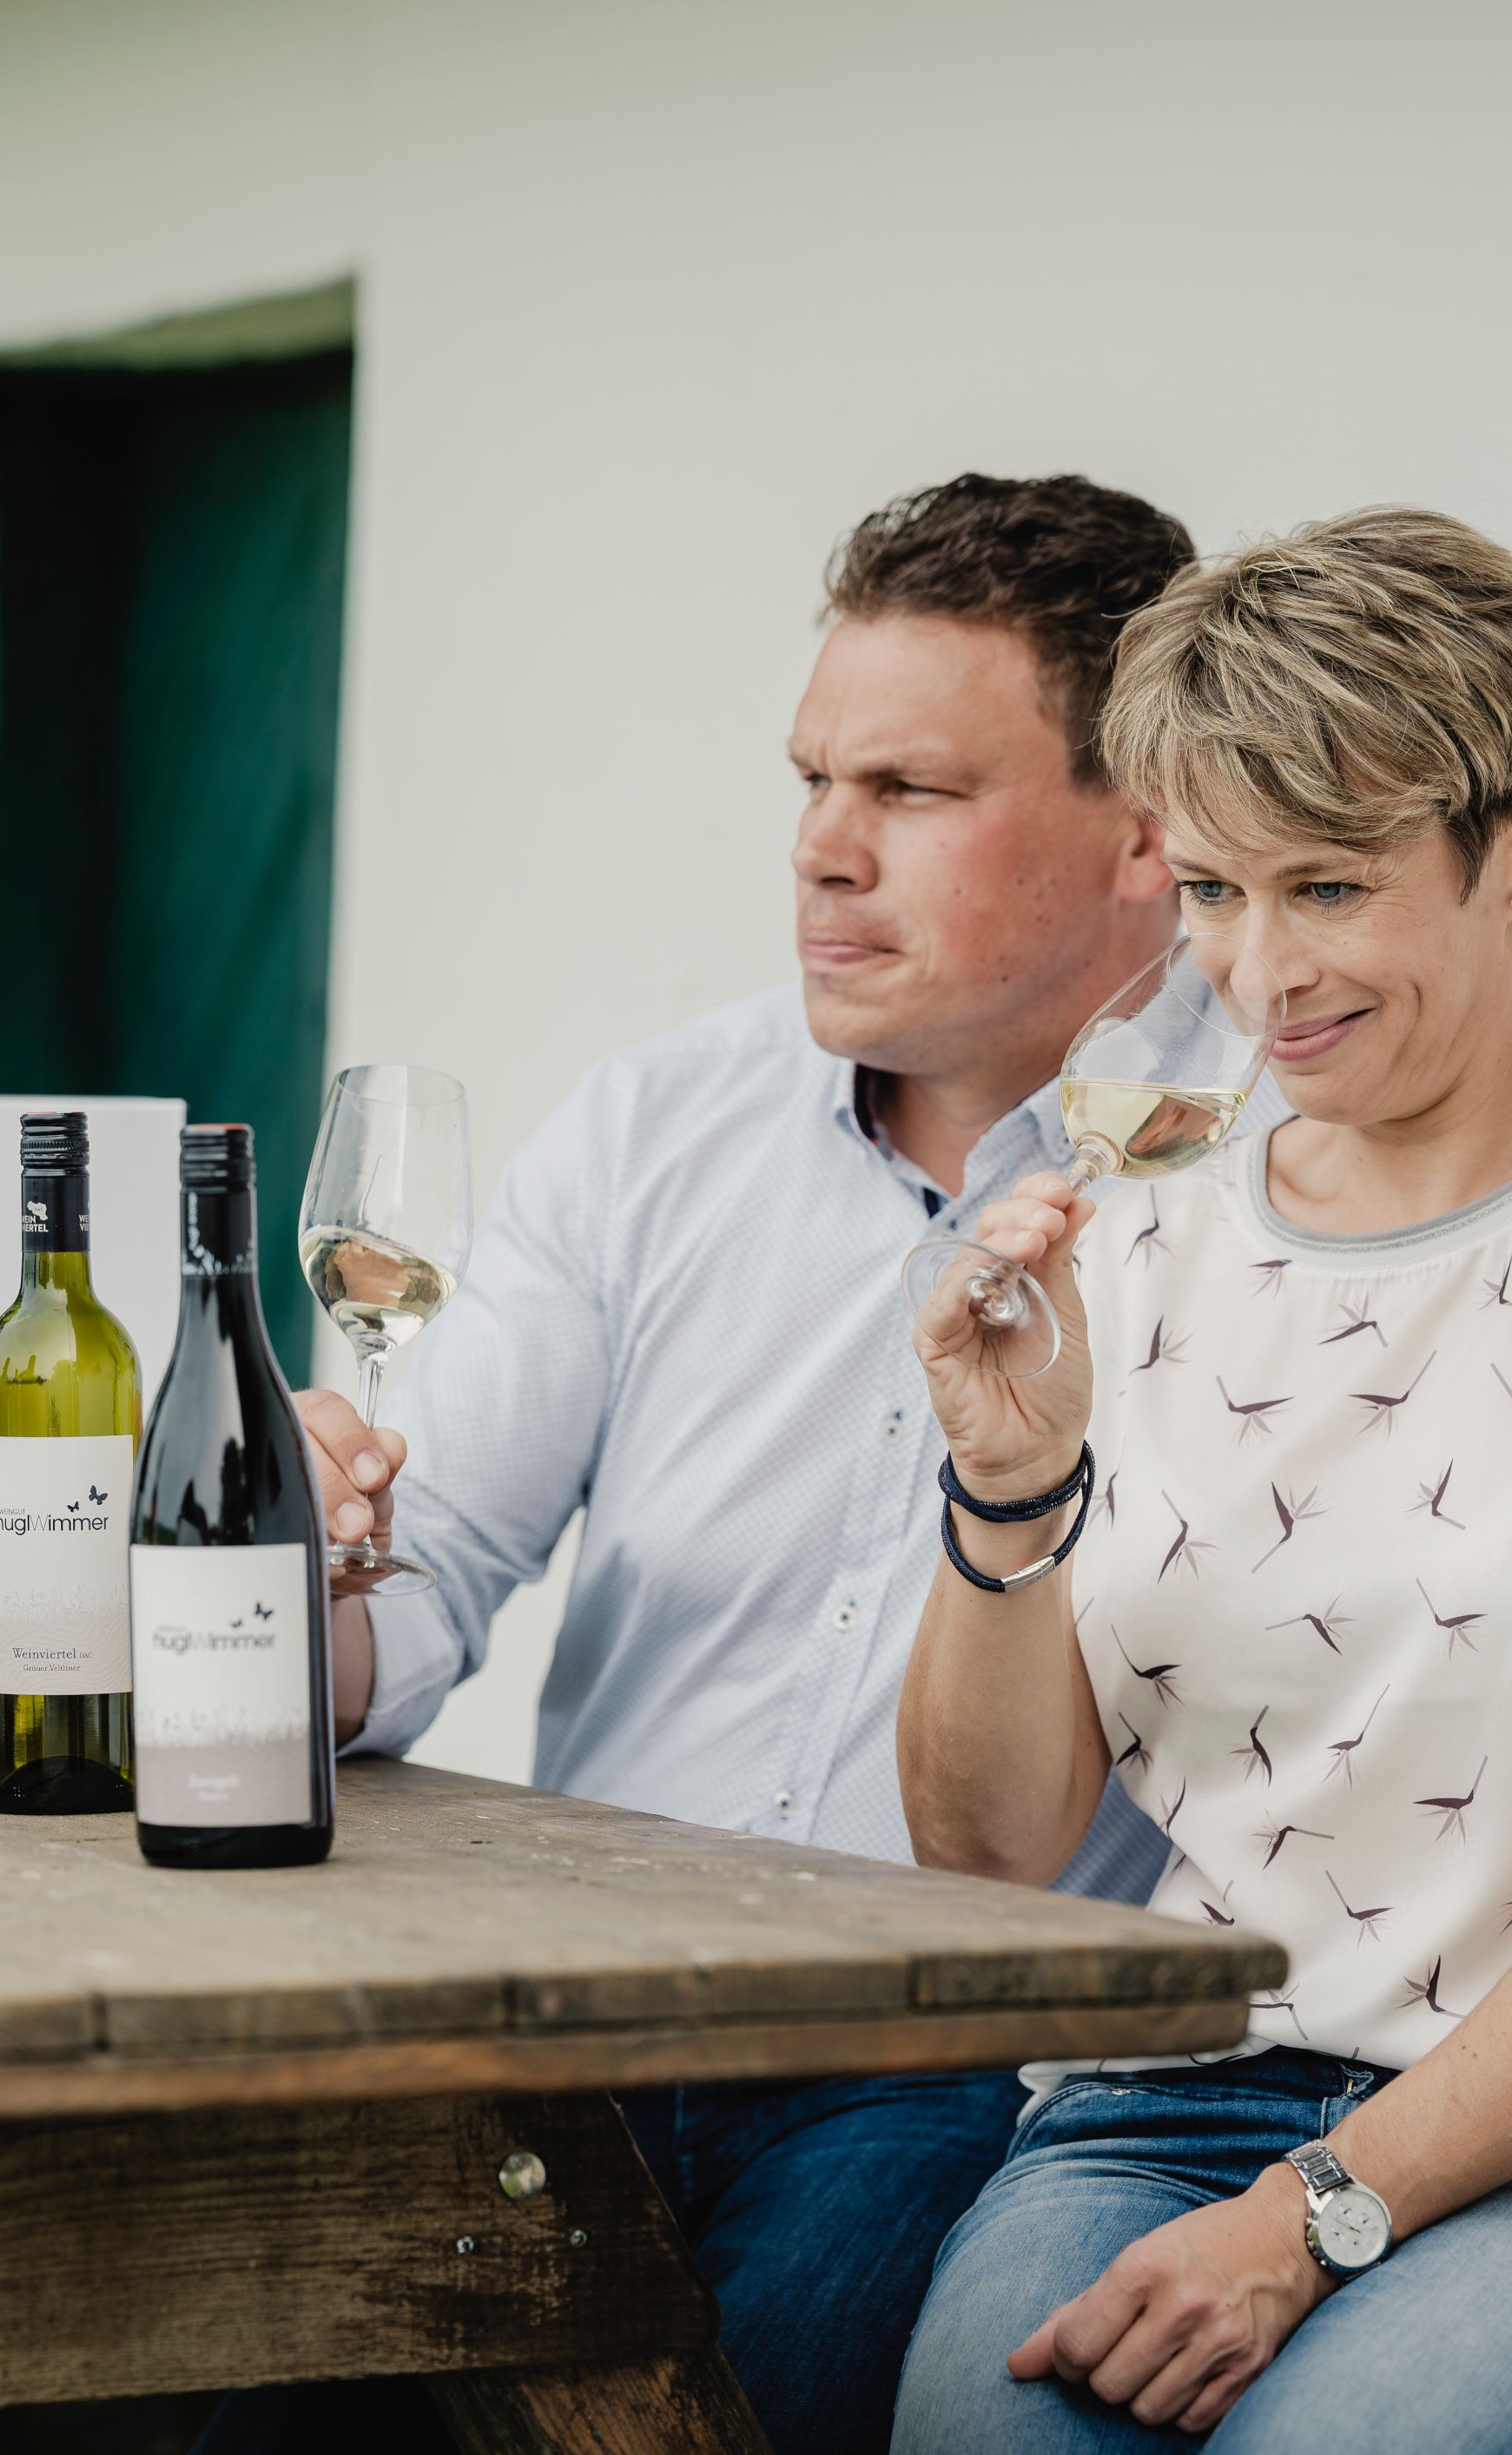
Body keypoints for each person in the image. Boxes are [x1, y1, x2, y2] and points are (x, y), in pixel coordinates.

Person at [888, 509, 1512, 2451]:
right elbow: (988, 1855)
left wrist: (1310, 2219)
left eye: (1328, 889)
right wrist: (1007, 1502)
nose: (1257, 975)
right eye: (1208, 892)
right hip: (1161, 2116)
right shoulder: (1140, 1239)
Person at [201, 473, 1215, 2455]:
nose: (821, 854)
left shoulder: (1251, 1170)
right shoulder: (659, 1121)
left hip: (950, 2061)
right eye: (811, 780)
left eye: (909, 792)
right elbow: (426, 1581)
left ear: (1148, 829)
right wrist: (286, 1576)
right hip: (573, 2002)